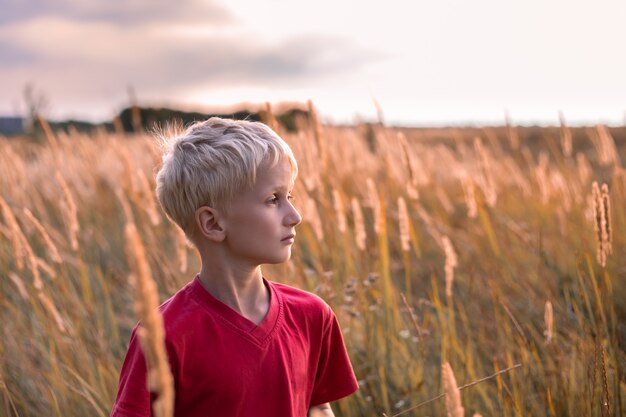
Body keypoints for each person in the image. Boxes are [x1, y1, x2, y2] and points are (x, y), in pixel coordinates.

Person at [111, 117, 358, 417]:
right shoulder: (162, 338)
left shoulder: (312, 315)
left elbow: (317, 406)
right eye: (273, 199)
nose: (294, 215)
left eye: (289, 196)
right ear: (213, 223)